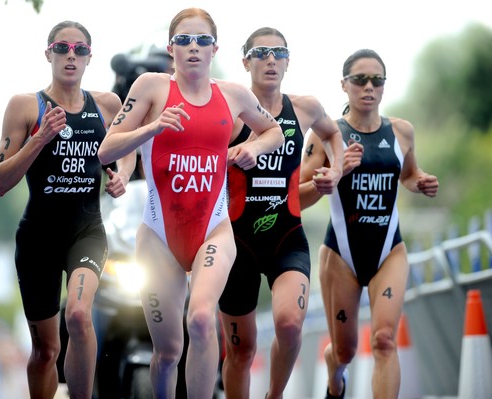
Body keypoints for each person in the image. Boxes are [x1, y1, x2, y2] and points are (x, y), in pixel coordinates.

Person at [97, 8, 284, 398]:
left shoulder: (233, 95)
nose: (193, 47)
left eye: (202, 40)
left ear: (215, 48)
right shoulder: (150, 87)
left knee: (201, 319)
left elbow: (275, 132)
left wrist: (251, 147)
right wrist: (153, 126)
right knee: (167, 352)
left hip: (212, 232)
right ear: (171, 49)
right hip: (158, 236)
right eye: (184, 40)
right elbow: (106, 150)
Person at [0, 21, 136, 399]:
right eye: (62, 48)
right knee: (45, 350)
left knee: (78, 314)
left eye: (80, 49)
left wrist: (120, 174)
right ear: (49, 54)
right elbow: (0, 182)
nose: (71, 55)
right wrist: (40, 138)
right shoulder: (25, 106)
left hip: (85, 231)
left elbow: (126, 153)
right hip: (38, 236)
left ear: (89, 57)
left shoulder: (106, 105)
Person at [300, 48, 439, 398]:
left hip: (388, 252)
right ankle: (336, 377)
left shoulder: (402, 132)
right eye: (360, 79)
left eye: (377, 80)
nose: (369, 87)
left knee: (383, 340)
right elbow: (297, 195)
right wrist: (337, 170)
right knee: (345, 351)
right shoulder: (327, 135)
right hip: (341, 257)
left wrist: (421, 181)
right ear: (344, 85)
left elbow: (408, 175)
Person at [216, 27, 344, 399]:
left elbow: (332, 134)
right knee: (241, 349)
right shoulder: (229, 110)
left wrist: (335, 170)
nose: (270, 59)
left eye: (278, 53)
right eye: (260, 53)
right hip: (236, 241)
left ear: (287, 61)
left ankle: (274, 395)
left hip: (286, 237)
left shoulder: (304, 108)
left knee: (289, 324)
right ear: (245, 61)